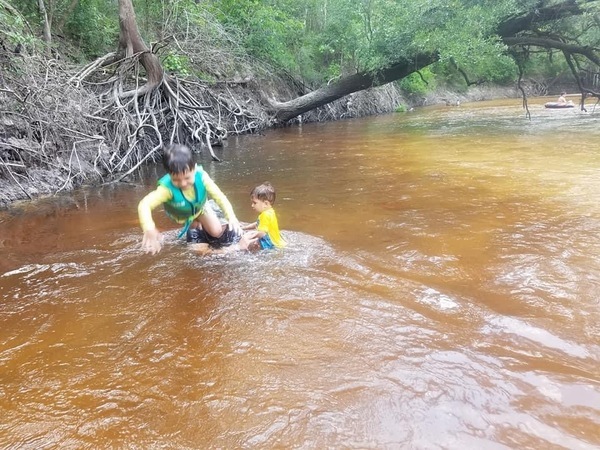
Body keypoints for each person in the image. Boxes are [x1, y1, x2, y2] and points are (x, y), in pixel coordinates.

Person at [138, 143, 242, 254]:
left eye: (187, 178)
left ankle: (209, 212)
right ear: (169, 175)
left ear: (194, 168)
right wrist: (149, 228)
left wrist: (231, 217)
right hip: (183, 214)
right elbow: (144, 205)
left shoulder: (202, 177)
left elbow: (220, 196)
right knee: (195, 235)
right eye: (176, 180)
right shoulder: (166, 190)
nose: (183, 183)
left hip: (200, 206)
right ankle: (195, 223)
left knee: (216, 232)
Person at [242, 182, 286, 250]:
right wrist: (244, 228)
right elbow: (258, 223)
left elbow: (262, 233)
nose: (252, 205)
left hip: (270, 245)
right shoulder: (271, 212)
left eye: (255, 203)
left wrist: (249, 236)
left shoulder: (265, 215)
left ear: (265, 203)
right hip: (278, 243)